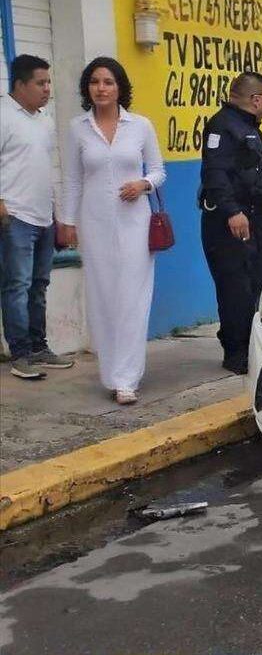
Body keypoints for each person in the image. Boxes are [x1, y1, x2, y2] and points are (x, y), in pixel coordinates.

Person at [61, 57, 165, 405]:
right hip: (95, 223)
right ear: (87, 88)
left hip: (135, 222)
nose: (101, 88)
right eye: (94, 82)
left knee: (133, 297)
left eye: (108, 82)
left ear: (120, 87)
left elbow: (159, 170)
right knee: (103, 295)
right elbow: (73, 180)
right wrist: (67, 221)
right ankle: (111, 372)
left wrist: (143, 184)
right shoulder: (78, 128)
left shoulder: (141, 126)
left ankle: (127, 378)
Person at [199, 72, 262, 375]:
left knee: (258, 287)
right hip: (234, 223)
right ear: (256, 99)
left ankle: (253, 349)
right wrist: (232, 211)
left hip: (258, 219)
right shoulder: (223, 126)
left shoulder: (248, 127)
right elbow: (215, 174)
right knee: (236, 288)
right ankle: (236, 353)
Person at [0, 54, 74, 379]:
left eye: (48, 83)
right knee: (16, 285)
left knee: (39, 285)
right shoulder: (3, 116)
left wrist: (57, 215)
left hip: (44, 217)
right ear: (20, 84)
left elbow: (48, 171)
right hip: (14, 216)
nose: (47, 89)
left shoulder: (44, 121)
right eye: (40, 83)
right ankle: (20, 355)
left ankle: (39, 346)